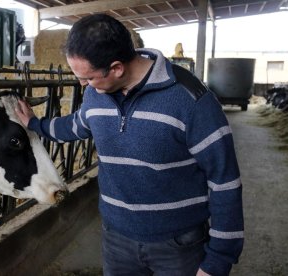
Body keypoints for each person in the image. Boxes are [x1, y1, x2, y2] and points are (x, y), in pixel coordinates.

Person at [16, 13, 243, 276]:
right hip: (116, 239)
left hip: (178, 244)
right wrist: (35, 124)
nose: (82, 84)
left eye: (88, 78)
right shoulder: (95, 95)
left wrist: (218, 260)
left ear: (116, 69)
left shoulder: (191, 101)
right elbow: (76, 125)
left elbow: (225, 180)